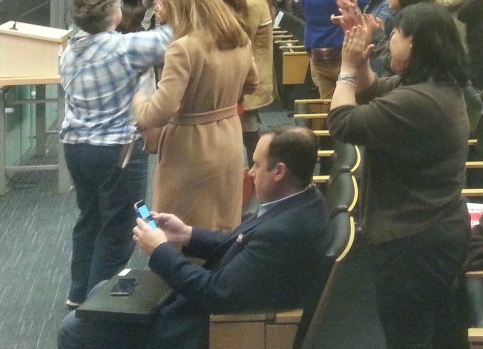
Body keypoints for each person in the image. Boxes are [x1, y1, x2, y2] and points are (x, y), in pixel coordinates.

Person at [57, 127, 330, 349]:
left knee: (75, 329)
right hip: (208, 308)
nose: (250, 172)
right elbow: (242, 243)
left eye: (257, 165)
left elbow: (214, 292)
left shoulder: (285, 231)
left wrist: (160, 250)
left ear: (279, 171)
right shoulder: (302, 201)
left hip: (206, 328)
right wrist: (186, 235)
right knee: (102, 290)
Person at [327, 3, 471, 347]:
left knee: (408, 337)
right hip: (431, 230)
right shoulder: (432, 85)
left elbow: (342, 122)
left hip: (415, 241)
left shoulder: (420, 100)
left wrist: (346, 69)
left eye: (396, 33)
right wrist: (359, 62)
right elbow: (371, 89)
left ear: (416, 43)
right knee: (429, 332)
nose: (389, 39)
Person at [59, 0, 173, 308]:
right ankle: (98, 302)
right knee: (119, 227)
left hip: (76, 147)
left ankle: (78, 292)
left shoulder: (69, 50)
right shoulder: (124, 47)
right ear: (115, 14)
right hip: (116, 149)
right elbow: (174, 36)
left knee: (89, 219)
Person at [132, 0, 258, 231]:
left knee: (181, 230)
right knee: (223, 224)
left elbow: (159, 112)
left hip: (191, 146)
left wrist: (137, 100)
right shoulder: (239, 39)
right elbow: (252, 83)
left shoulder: (183, 47)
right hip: (229, 137)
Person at [298, 0, 366, 99]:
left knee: (326, 98)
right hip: (340, 48)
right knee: (348, 94)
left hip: (315, 48)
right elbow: (364, 0)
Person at [234, 0, 277, 161]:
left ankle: (256, 168)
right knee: (248, 125)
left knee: (247, 128)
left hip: (253, 72)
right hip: (258, 69)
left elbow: (242, 39)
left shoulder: (252, 2)